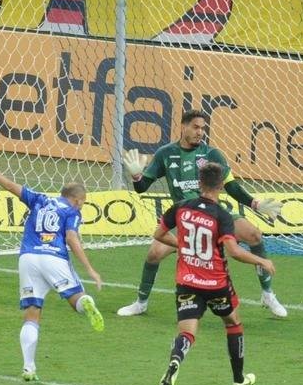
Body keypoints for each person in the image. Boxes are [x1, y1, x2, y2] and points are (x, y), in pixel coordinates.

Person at [117, 109, 288, 318]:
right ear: (183, 126)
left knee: (254, 235)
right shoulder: (165, 153)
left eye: (203, 128)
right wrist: (136, 175)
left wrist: (255, 204)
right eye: (196, 127)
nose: (200, 132)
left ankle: (268, 294)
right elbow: (142, 187)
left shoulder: (212, 154)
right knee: (153, 254)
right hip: (186, 219)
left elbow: (231, 186)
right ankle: (140, 303)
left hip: (214, 213)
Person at [0, 148, 105, 381]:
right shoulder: (71, 211)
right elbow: (71, 238)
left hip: (28, 259)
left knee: (32, 314)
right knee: (76, 301)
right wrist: (90, 268)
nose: (81, 206)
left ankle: (29, 367)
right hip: (54, 259)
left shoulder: (39, 199)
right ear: (76, 200)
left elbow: (10, 185)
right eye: (82, 203)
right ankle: (86, 302)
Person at [153, 162, 275, 385]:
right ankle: (239, 379)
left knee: (187, 332)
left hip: (187, 280)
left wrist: (183, 245)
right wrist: (262, 261)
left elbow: (158, 234)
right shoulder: (222, 216)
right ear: (221, 186)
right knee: (233, 323)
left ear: (199, 182)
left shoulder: (180, 207)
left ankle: (176, 360)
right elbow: (234, 252)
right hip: (216, 284)